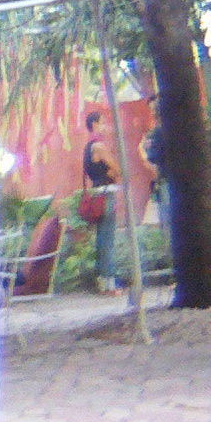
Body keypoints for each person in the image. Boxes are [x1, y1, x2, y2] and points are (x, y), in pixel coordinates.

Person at [81, 111, 119, 290]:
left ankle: (102, 281)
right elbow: (117, 169)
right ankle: (109, 281)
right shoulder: (99, 146)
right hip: (106, 194)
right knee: (108, 239)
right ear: (95, 124)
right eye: (103, 122)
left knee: (101, 238)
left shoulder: (88, 147)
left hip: (96, 193)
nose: (106, 126)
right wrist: (113, 171)